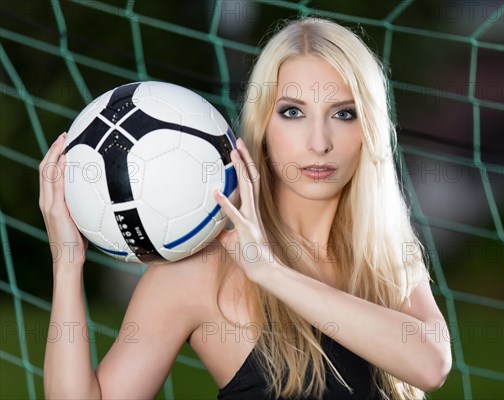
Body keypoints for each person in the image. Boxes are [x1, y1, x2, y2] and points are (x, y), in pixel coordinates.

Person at [40, 17, 452, 399]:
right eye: (293, 112)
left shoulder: (386, 256)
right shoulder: (199, 271)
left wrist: (270, 271)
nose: (319, 142)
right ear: (262, 126)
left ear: (369, 130)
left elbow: (431, 365)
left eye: (343, 114)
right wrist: (67, 260)